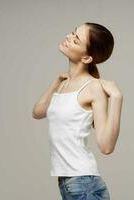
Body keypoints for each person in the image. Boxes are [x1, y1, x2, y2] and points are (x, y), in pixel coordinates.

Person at [32, 22, 123, 200]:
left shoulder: (93, 87)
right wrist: (56, 82)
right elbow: (37, 112)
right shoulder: (63, 83)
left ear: (86, 58)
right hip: (69, 183)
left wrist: (117, 99)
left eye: (76, 39)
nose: (69, 37)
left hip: (84, 184)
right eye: (72, 33)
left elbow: (106, 147)